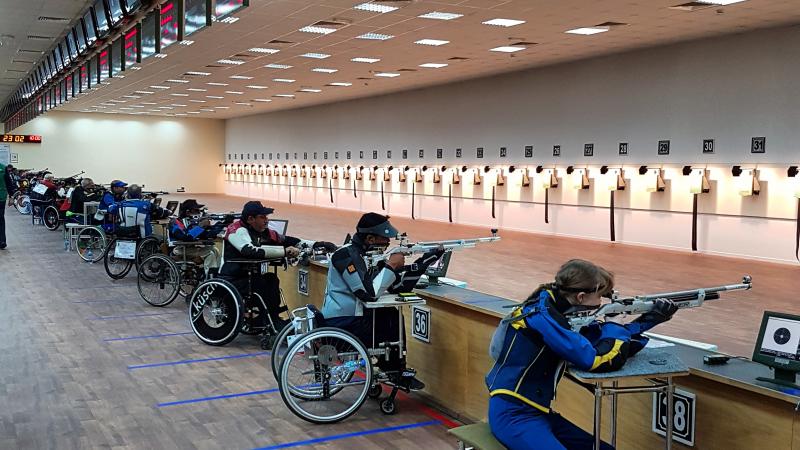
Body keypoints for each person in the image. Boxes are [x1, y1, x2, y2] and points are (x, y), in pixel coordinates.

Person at [485, 259, 678, 450]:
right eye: (600, 296)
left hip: (537, 412)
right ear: (581, 297)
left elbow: (601, 339)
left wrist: (651, 319)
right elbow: (595, 359)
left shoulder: (555, 310)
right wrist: (615, 325)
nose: (601, 303)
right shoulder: (542, 317)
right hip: (513, 415)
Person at [320, 212, 444, 391]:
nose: (387, 244)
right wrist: (391, 266)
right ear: (370, 238)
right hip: (342, 321)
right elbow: (367, 294)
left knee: (390, 314)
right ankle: (395, 371)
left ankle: (394, 370)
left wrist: (426, 259)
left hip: (353, 316)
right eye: (385, 239)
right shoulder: (344, 256)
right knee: (389, 319)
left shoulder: (365, 256)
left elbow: (399, 288)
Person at [219, 201, 307, 330]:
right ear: (250, 219)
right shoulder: (236, 230)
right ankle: (272, 320)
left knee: (271, 279)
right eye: (263, 217)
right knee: (264, 285)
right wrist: (284, 252)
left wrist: (314, 244)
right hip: (232, 278)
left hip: (249, 276)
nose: (267, 220)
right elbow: (250, 251)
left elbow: (287, 240)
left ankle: (271, 318)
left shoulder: (263, 231)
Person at [169, 199, 231, 275]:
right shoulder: (175, 223)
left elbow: (208, 235)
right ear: (188, 212)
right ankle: (209, 278)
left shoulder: (191, 223)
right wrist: (200, 226)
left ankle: (210, 274)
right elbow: (185, 237)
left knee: (215, 250)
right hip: (179, 249)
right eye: (196, 211)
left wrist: (223, 224)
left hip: (188, 248)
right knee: (210, 253)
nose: (199, 213)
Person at [0, 162, 7, 249]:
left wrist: (12, 196)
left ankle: (2, 241)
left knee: (0, 218)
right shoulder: (3, 167)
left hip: (1, 197)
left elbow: (8, 182)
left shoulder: (3, 168)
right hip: (2, 196)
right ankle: (2, 240)